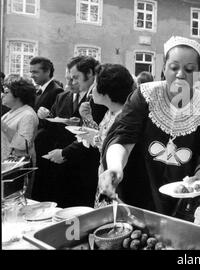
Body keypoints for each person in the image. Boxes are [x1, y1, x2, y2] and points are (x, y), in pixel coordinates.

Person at [97, 36, 200, 215]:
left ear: (199, 72)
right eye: (174, 67)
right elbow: (123, 138)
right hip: (139, 187)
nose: (180, 74)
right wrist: (115, 167)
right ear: (164, 68)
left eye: (189, 69)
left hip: (185, 201)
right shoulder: (145, 96)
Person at [39, 56, 107, 207]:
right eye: (68, 78)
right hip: (62, 164)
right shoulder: (62, 97)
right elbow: (52, 127)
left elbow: (96, 134)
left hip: (85, 165)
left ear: (90, 74)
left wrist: (65, 153)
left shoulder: (98, 99)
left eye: (75, 78)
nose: (70, 83)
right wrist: (45, 116)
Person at [75, 63, 136, 207]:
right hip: (104, 171)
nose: (91, 91)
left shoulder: (126, 118)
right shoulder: (110, 112)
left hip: (117, 179)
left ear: (107, 92)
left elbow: (115, 145)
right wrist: (88, 118)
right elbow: (103, 137)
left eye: (95, 85)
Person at [1, 75, 38, 163]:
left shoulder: (28, 115)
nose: (2, 95)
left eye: (6, 92)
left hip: (17, 167)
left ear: (18, 95)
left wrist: (3, 126)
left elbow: (23, 145)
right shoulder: (11, 112)